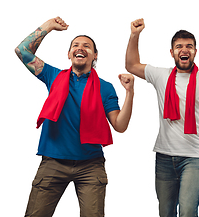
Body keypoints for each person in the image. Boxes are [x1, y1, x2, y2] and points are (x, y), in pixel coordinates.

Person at [15, 16, 134, 217]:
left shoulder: (105, 88)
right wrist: (48, 27)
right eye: (76, 45)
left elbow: (119, 126)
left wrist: (130, 93)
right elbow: (22, 51)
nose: (81, 48)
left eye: (87, 46)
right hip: (53, 161)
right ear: (69, 53)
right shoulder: (52, 76)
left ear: (94, 55)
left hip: (91, 165)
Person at [125, 18, 199, 217]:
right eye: (179, 46)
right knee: (166, 212)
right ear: (172, 52)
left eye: (189, 46)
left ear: (195, 52)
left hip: (194, 156)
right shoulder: (160, 75)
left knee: (188, 211)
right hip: (164, 155)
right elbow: (131, 65)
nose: (184, 50)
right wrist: (135, 35)